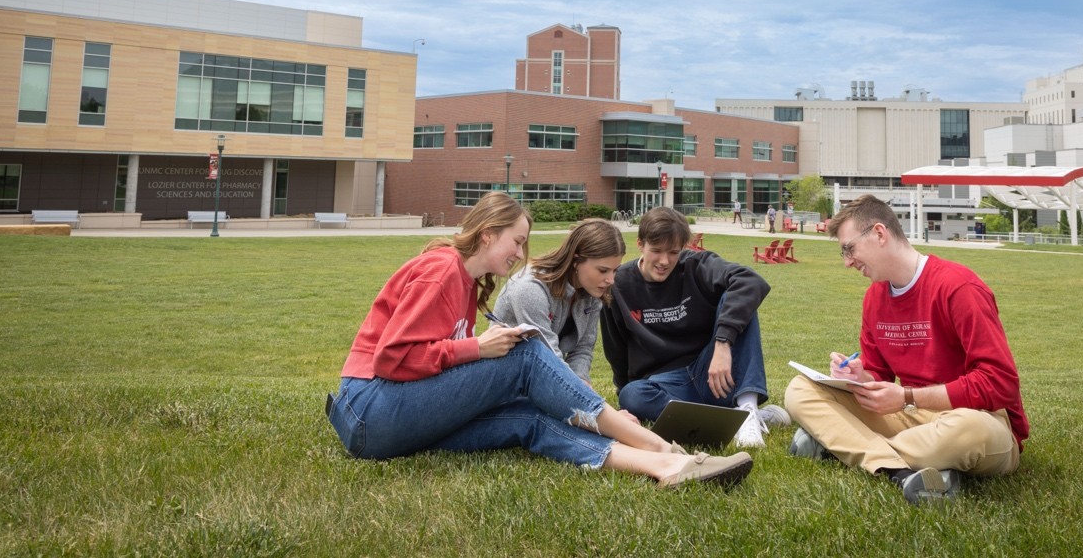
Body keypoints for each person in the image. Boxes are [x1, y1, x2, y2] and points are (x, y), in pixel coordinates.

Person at [326, 191, 753, 488]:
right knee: (527, 350)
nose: (520, 253)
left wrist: (475, 353)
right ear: (488, 233)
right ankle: (658, 444)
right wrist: (478, 347)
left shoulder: (468, 284)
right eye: (516, 241)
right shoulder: (441, 270)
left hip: (393, 425)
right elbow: (391, 360)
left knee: (530, 419)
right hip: (370, 410)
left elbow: (438, 364)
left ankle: (663, 466)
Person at [784, 194, 1029, 503]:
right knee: (800, 390)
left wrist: (907, 397)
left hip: (976, 419)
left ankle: (840, 446)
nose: (847, 262)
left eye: (849, 249)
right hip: (910, 416)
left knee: (968, 431)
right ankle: (897, 469)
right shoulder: (874, 298)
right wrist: (861, 378)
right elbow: (880, 376)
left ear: (879, 233)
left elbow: (1001, 383)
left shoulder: (958, 287)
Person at [601, 205, 790, 447]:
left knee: (739, 302)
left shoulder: (697, 265)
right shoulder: (619, 284)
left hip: (713, 373)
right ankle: (735, 419)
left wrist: (722, 343)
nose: (664, 261)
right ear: (640, 244)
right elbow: (615, 346)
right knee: (631, 395)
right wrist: (625, 399)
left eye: (673, 252)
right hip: (666, 384)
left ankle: (747, 408)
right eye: (656, 251)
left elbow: (750, 281)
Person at [492, 218, 624, 382]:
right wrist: (579, 392)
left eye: (615, 270)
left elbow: (583, 348)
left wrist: (581, 381)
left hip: (544, 379)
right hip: (507, 381)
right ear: (576, 260)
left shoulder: (592, 292)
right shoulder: (530, 289)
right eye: (603, 270)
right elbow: (548, 358)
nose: (611, 280)